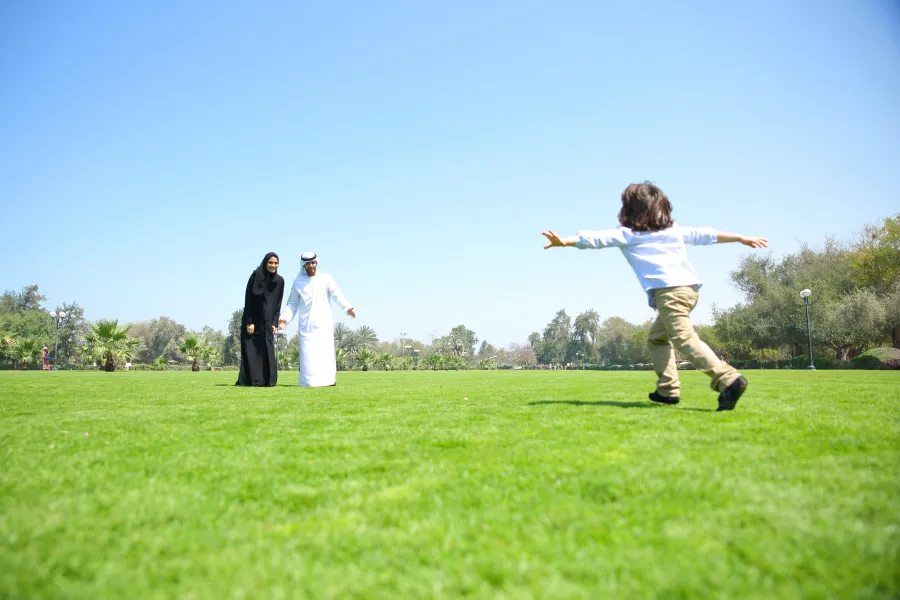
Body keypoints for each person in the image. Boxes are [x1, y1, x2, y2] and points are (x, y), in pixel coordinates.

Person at [541, 182, 768, 411]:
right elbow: (706, 234)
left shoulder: (629, 235)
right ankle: (668, 390)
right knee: (658, 339)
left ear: (629, 210)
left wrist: (565, 242)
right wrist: (740, 237)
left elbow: (596, 239)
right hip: (688, 290)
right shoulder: (673, 230)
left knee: (684, 338)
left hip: (670, 293)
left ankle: (728, 379)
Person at [278, 252, 356, 387]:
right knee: (308, 357)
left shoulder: (326, 279)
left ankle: (328, 382)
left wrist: (348, 308)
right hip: (306, 327)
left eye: (313, 263)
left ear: (316, 263)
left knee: (325, 355)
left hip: (323, 325)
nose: (311, 266)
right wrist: (284, 319)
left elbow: (337, 295)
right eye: (308, 264)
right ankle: (308, 382)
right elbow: (292, 303)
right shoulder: (298, 283)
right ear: (304, 265)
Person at [236, 252, 285, 387]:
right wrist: (249, 322)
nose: (273, 265)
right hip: (253, 321)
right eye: (271, 262)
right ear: (265, 263)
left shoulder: (280, 281)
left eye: (276, 263)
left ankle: (268, 380)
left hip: (268, 322)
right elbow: (248, 300)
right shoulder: (255, 276)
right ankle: (253, 380)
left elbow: (278, 304)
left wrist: (275, 322)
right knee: (252, 352)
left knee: (267, 350)